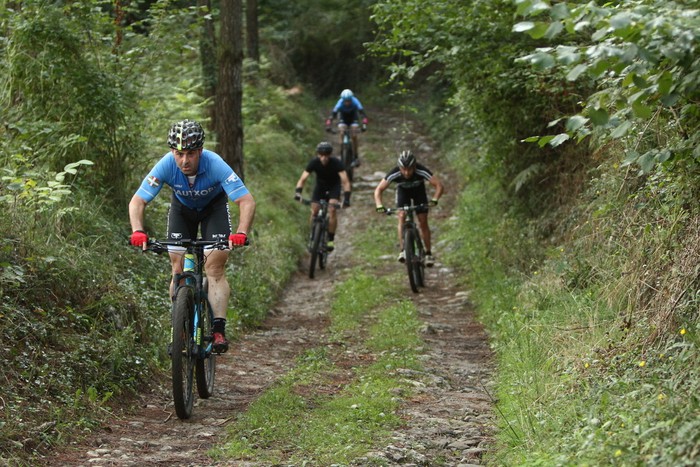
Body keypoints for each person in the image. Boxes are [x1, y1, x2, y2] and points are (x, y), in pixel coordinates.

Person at [128, 119, 256, 353]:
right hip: (182, 210)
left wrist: (240, 233)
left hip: (213, 210)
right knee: (177, 269)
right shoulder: (166, 165)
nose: (184, 161)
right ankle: (180, 330)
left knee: (214, 267)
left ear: (200, 151)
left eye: (190, 154)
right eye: (179, 154)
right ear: (172, 152)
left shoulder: (215, 163)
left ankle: (218, 330)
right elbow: (138, 200)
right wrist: (138, 230)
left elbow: (245, 200)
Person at [374, 150, 444, 267]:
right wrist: (379, 205)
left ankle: (428, 253)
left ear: (414, 166)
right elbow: (378, 190)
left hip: (419, 193)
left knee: (423, 221)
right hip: (403, 193)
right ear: (399, 167)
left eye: (409, 169)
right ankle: (403, 250)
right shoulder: (394, 172)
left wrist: (435, 199)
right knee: (401, 216)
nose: (406, 173)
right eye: (403, 169)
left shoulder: (421, 170)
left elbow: (439, 185)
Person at [294, 141, 351, 252]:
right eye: (321, 154)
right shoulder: (314, 162)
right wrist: (298, 193)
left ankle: (330, 239)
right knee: (314, 210)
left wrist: (347, 198)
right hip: (320, 187)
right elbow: (303, 179)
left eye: (327, 154)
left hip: (334, 187)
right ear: (318, 154)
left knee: (332, 209)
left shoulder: (336, 163)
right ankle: (312, 235)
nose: (324, 157)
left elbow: (345, 181)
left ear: (330, 154)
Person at [325, 89, 368, 164]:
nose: (347, 102)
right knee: (342, 133)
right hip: (343, 119)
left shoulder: (355, 101)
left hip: (353, 118)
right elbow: (332, 115)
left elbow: (363, 114)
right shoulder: (339, 103)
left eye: (349, 101)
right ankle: (342, 153)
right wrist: (328, 124)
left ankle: (355, 156)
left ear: (351, 99)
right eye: (345, 101)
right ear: (343, 100)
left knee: (354, 135)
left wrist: (364, 124)